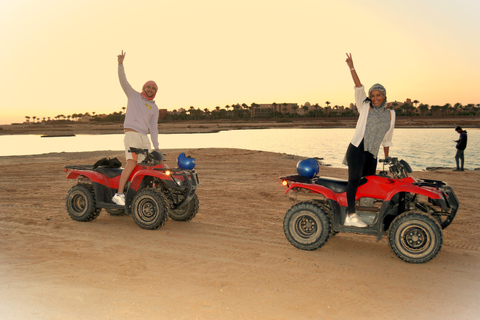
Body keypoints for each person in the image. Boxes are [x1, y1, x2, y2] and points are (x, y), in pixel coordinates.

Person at [343, 53, 396, 227]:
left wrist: (387, 158)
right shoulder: (364, 106)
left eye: (378, 95)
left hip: (372, 153)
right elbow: (359, 87)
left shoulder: (390, 114)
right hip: (357, 149)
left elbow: (387, 138)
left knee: (369, 182)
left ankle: (363, 212)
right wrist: (352, 66)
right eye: (373, 95)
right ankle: (350, 215)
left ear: (384, 96)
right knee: (354, 180)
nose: (375, 98)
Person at [112, 50, 160, 206]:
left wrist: (156, 147)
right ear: (144, 87)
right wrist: (120, 64)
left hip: (144, 139)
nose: (150, 89)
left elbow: (153, 128)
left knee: (145, 165)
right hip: (132, 136)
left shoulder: (154, 108)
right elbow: (123, 81)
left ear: (155, 91)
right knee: (131, 163)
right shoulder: (133, 96)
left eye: (153, 88)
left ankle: (137, 194)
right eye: (149, 87)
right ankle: (119, 195)